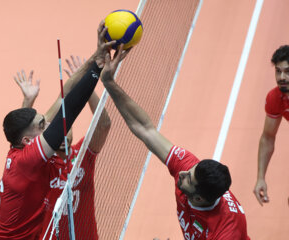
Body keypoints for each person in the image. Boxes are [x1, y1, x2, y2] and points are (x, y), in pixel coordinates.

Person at [0, 21, 124, 240]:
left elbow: (62, 99)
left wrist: (96, 56)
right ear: (29, 141)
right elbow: (71, 106)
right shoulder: (30, 160)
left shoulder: (23, 150)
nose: (49, 124)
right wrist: (97, 70)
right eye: (43, 125)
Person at [100, 52, 250, 239]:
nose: (183, 173)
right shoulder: (188, 168)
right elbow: (145, 129)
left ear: (199, 198)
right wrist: (109, 82)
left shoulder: (226, 232)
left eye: (188, 179)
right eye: (190, 170)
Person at [14, 55, 119, 239]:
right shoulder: (41, 163)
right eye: (56, 131)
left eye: (66, 129)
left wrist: (87, 86)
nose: (62, 135)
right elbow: (21, 139)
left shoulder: (82, 155)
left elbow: (104, 124)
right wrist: (27, 102)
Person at [253, 45, 289, 206]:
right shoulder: (276, 98)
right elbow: (268, 137)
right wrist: (261, 177)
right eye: (278, 71)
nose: (282, 77)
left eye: (288, 72)